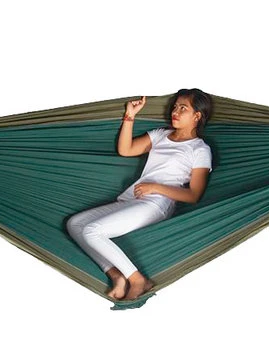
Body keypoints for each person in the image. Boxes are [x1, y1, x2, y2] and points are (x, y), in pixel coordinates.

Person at [66, 88, 213, 300]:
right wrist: (130, 116)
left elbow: (193, 195)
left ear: (197, 116)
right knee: (75, 224)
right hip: (134, 199)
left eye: (183, 108)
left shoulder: (199, 149)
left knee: (92, 231)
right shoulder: (161, 135)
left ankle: (138, 280)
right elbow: (126, 150)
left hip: (158, 204)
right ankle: (117, 275)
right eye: (175, 107)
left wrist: (156, 187)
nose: (175, 112)